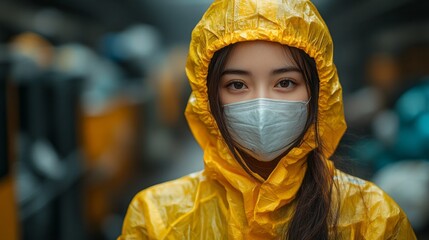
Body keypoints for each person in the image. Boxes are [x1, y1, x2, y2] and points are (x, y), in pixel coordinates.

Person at [118, 0, 416, 239]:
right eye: (237, 85)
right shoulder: (157, 220)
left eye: (285, 83)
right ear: (208, 101)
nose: (261, 107)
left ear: (319, 94)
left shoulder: (373, 220)